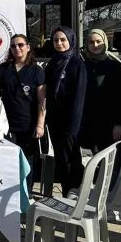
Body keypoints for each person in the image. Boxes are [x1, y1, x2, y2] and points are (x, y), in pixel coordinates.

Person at [0, 34, 45, 190]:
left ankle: (26, 192)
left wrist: (40, 125)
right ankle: (8, 193)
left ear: (28, 47)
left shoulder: (36, 71)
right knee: (7, 160)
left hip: (28, 124)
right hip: (6, 124)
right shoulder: (4, 69)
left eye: (21, 45)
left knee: (26, 160)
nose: (17, 48)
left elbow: (42, 101)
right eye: (13, 46)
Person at [44, 26, 87, 196]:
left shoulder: (76, 63)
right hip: (55, 120)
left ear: (71, 41)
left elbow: (79, 97)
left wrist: (73, 126)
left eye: (63, 40)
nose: (59, 43)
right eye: (56, 40)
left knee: (71, 158)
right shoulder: (54, 62)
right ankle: (66, 193)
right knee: (61, 159)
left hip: (70, 122)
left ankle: (73, 192)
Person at [79, 28, 121, 154]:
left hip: (109, 124)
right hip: (88, 123)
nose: (95, 45)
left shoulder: (115, 66)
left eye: (98, 41)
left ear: (105, 42)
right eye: (91, 42)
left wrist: (118, 124)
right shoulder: (82, 65)